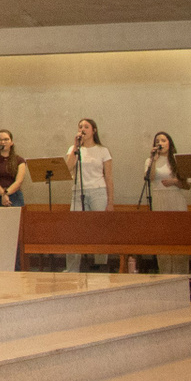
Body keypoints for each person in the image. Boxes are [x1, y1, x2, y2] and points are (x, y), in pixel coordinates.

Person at [66, 117, 113, 272]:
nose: (82, 129)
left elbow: (108, 177)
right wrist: (75, 146)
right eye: (80, 126)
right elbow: (68, 168)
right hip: (78, 191)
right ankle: (72, 269)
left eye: (86, 126)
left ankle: (100, 267)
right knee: (74, 232)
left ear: (94, 130)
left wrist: (110, 202)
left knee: (100, 231)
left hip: (98, 191)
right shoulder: (74, 149)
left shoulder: (102, 150)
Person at [144, 130, 189, 280]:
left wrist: (175, 182)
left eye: (163, 140)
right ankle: (165, 275)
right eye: (157, 141)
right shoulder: (150, 161)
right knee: (162, 237)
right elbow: (150, 178)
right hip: (159, 198)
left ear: (169, 143)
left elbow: (187, 185)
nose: (160, 143)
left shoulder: (177, 160)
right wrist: (154, 160)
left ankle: (181, 275)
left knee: (178, 237)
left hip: (175, 198)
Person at [0, 129, 27, 207]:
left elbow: (19, 181)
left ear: (11, 142)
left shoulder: (19, 160)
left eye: (6, 139)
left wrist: (6, 194)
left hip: (15, 195)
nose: (2, 142)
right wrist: (2, 194)